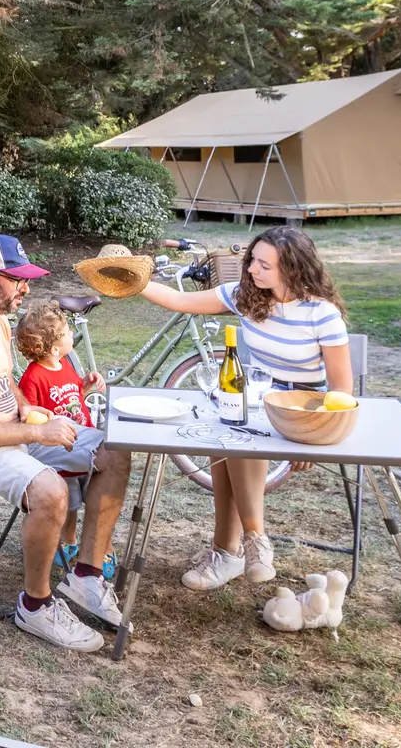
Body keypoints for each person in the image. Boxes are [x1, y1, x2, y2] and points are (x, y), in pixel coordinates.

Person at [0, 234, 133, 651]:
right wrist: (35, 432)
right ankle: (35, 605)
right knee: (50, 491)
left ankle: (85, 577)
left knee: (115, 448)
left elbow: (2, 381)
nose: (25, 288)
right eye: (17, 279)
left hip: (9, 429)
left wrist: (32, 409)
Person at [133, 225, 351, 590]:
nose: (251, 270)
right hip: (255, 405)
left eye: (264, 265)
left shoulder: (321, 315)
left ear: (294, 269)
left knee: (234, 437)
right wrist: (130, 283)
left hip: (301, 414)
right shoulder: (248, 296)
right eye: (253, 260)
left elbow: (342, 389)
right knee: (231, 436)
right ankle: (245, 545)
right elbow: (180, 302)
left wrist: (312, 435)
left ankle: (234, 549)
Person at [13, 301, 113, 574]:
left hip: (83, 440)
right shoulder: (33, 377)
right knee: (70, 503)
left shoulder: (65, 364)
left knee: (89, 491)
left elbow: (71, 392)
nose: (73, 335)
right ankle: (67, 541)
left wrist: (86, 383)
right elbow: (30, 414)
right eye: (68, 331)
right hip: (60, 451)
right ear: (55, 347)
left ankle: (93, 543)